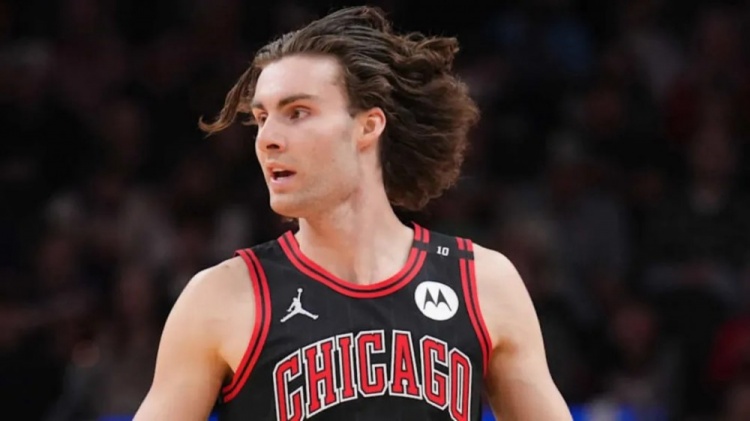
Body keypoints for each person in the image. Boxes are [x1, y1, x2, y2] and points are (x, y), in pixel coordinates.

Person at [134, 5, 572, 421]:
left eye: (297, 113)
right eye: (262, 117)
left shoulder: (483, 283)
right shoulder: (221, 297)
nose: (267, 138)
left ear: (368, 126)